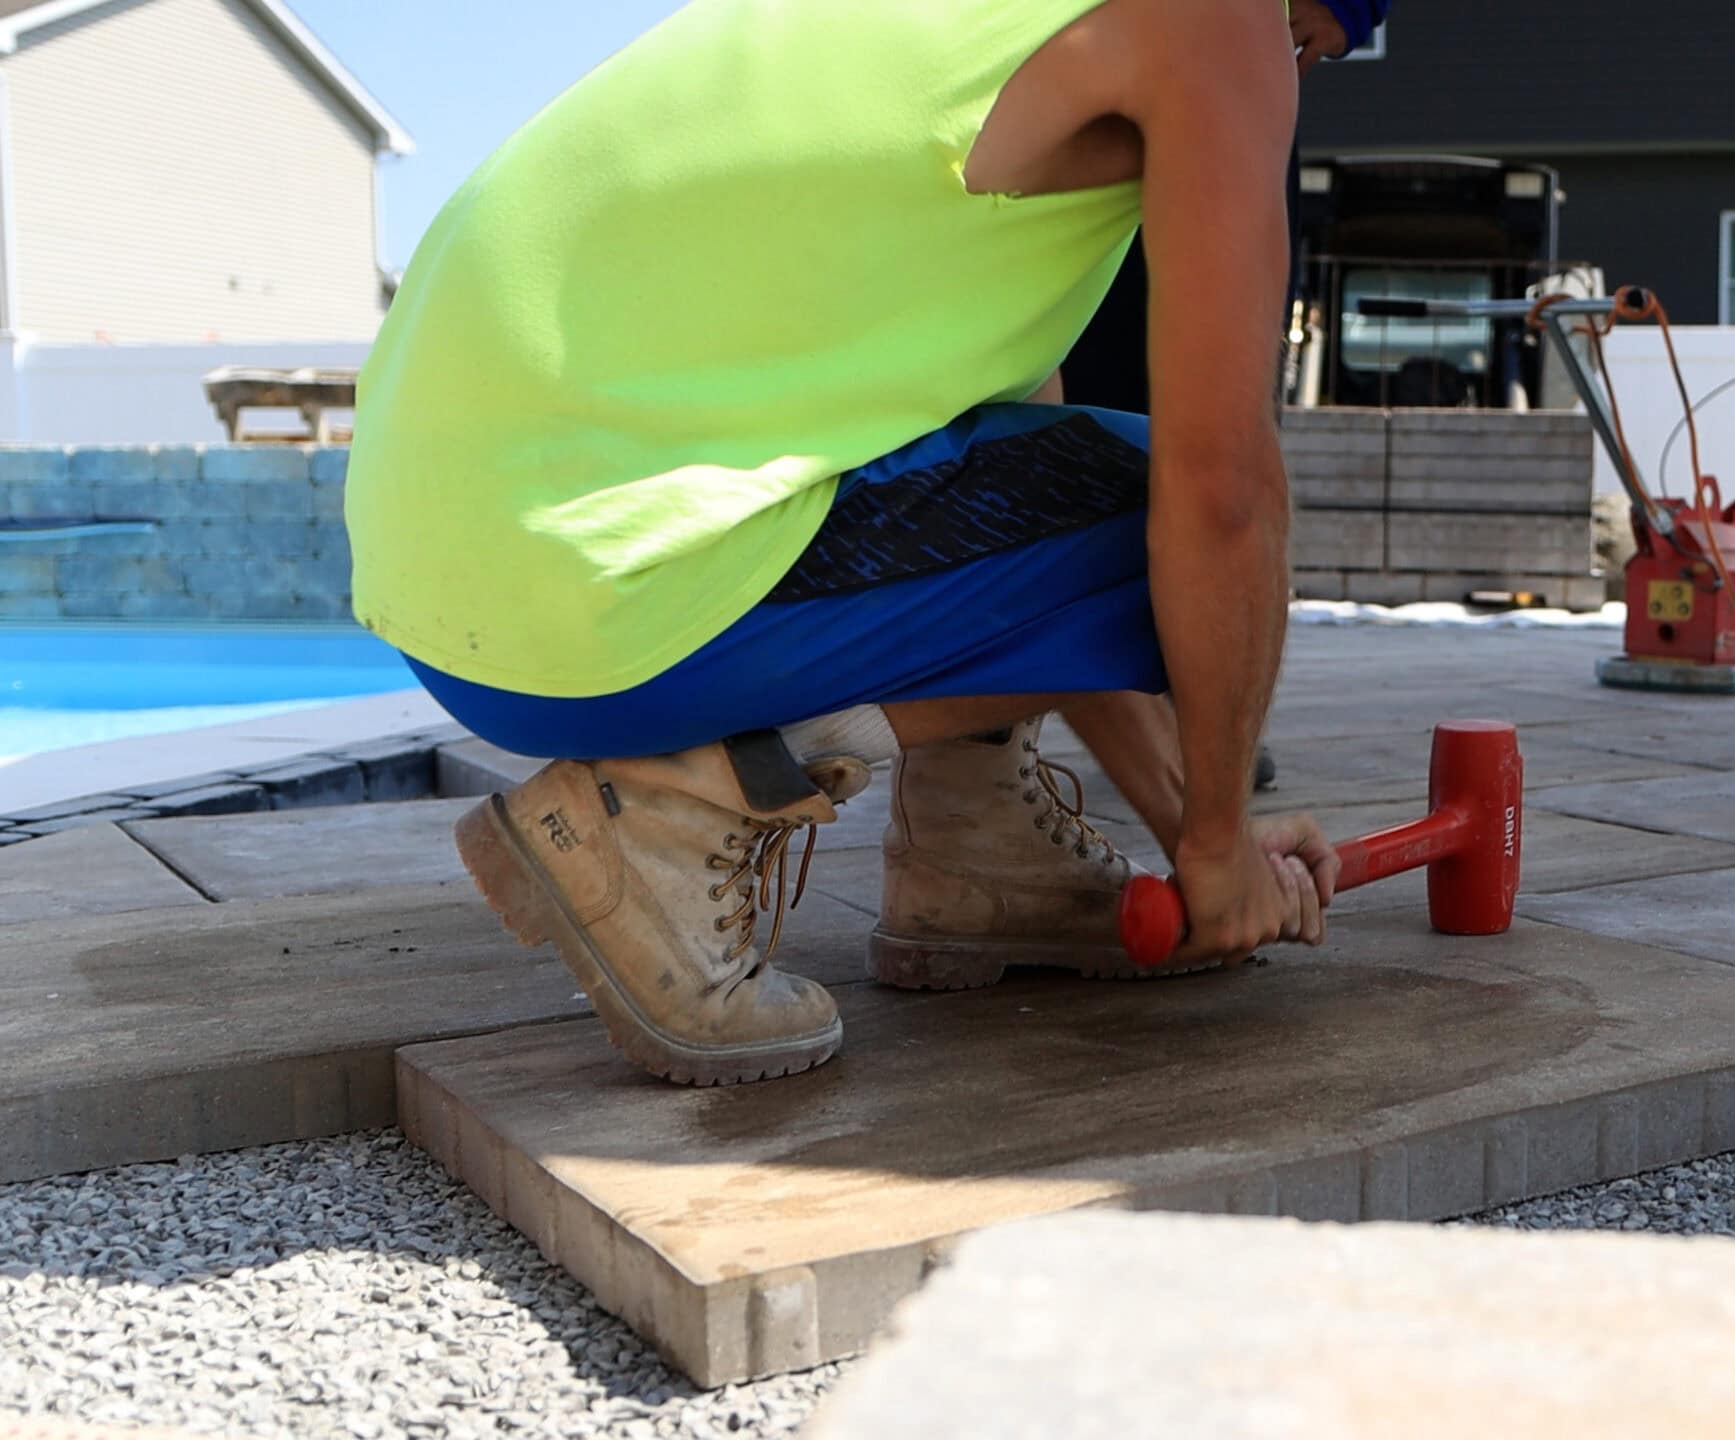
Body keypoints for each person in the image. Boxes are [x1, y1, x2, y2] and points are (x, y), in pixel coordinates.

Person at [346, 0, 1341, 1088]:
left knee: (1068, 481)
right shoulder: (1213, 19)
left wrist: (1205, 845)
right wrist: (1213, 845)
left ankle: (976, 857)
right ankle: (663, 820)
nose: (1286, 66)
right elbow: (1222, 495)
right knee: (1179, 513)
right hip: (592, 610)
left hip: (462, 602)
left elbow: (1030, 494)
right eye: (1310, 42)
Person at [1060, 0, 1388, 792]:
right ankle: (977, 764)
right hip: (1029, 44)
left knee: (1205, 418)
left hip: (1218, 43)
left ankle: (1198, 722)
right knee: (1041, 390)